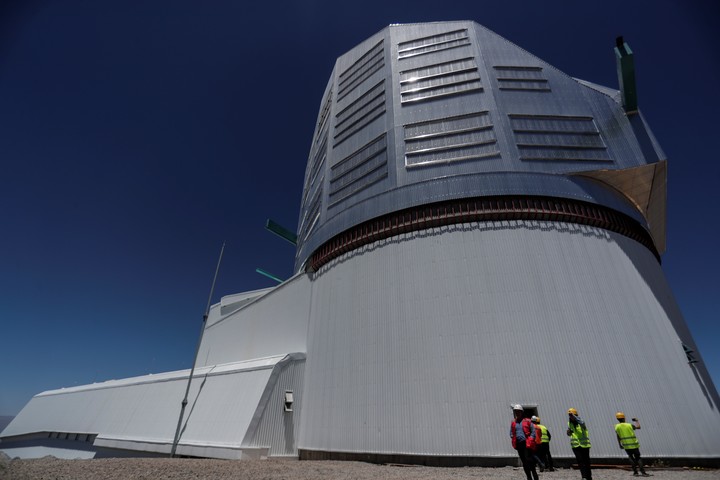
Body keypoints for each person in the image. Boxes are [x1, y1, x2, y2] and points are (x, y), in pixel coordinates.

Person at [614, 412, 650, 476]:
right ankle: (643, 472)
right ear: (624, 418)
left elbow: (618, 436)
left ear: (617, 419)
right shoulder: (629, 425)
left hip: (626, 445)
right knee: (638, 457)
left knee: (630, 457)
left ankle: (635, 472)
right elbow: (638, 427)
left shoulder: (616, 426)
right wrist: (636, 421)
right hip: (634, 444)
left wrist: (620, 444)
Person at [510, 404, 539, 480]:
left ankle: (534, 474)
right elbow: (511, 433)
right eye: (516, 412)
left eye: (519, 412)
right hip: (519, 444)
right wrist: (513, 437)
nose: (517, 413)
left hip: (527, 443)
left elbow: (533, 431)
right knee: (524, 462)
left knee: (529, 460)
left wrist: (531, 439)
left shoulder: (528, 421)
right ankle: (529, 477)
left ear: (521, 412)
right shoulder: (513, 423)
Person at [566, 407, 591, 480]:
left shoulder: (581, 423)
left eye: (571, 415)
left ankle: (589, 477)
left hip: (585, 445)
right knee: (580, 462)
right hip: (576, 446)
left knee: (586, 462)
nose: (570, 417)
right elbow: (570, 433)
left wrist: (574, 416)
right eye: (569, 416)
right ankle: (584, 477)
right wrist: (568, 432)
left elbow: (582, 422)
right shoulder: (569, 423)